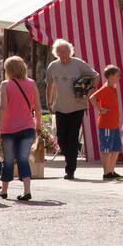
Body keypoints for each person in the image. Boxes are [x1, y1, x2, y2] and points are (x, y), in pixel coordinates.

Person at [45, 39, 98, 180]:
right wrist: (49, 102)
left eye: (66, 51)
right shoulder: (52, 66)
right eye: (60, 51)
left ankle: (70, 170)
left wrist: (91, 89)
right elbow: (49, 85)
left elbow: (95, 75)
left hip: (77, 106)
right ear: (56, 53)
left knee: (73, 137)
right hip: (60, 107)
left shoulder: (78, 63)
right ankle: (70, 158)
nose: (64, 54)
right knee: (61, 138)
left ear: (71, 51)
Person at [0, 56, 41, 202]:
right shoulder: (32, 83)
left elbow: (2, 108)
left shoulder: (5, 85)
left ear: (9, 70)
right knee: (23, 158)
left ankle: (4, 190)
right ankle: (27, 191)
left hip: (9, 129)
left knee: (8, 160)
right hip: (27, 127)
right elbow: (38, 107)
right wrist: (38, 125)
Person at [89, 65, 123, 181]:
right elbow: (92, 97)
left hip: (114, 124)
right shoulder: (105, 88)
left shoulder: (112, 88)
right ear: (110, 76)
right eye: (117, 76)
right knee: (106, 149)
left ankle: (111, 171)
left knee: (115, 149)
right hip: (106, 124)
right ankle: (106, 172)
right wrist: (99, 110)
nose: (119, 78)